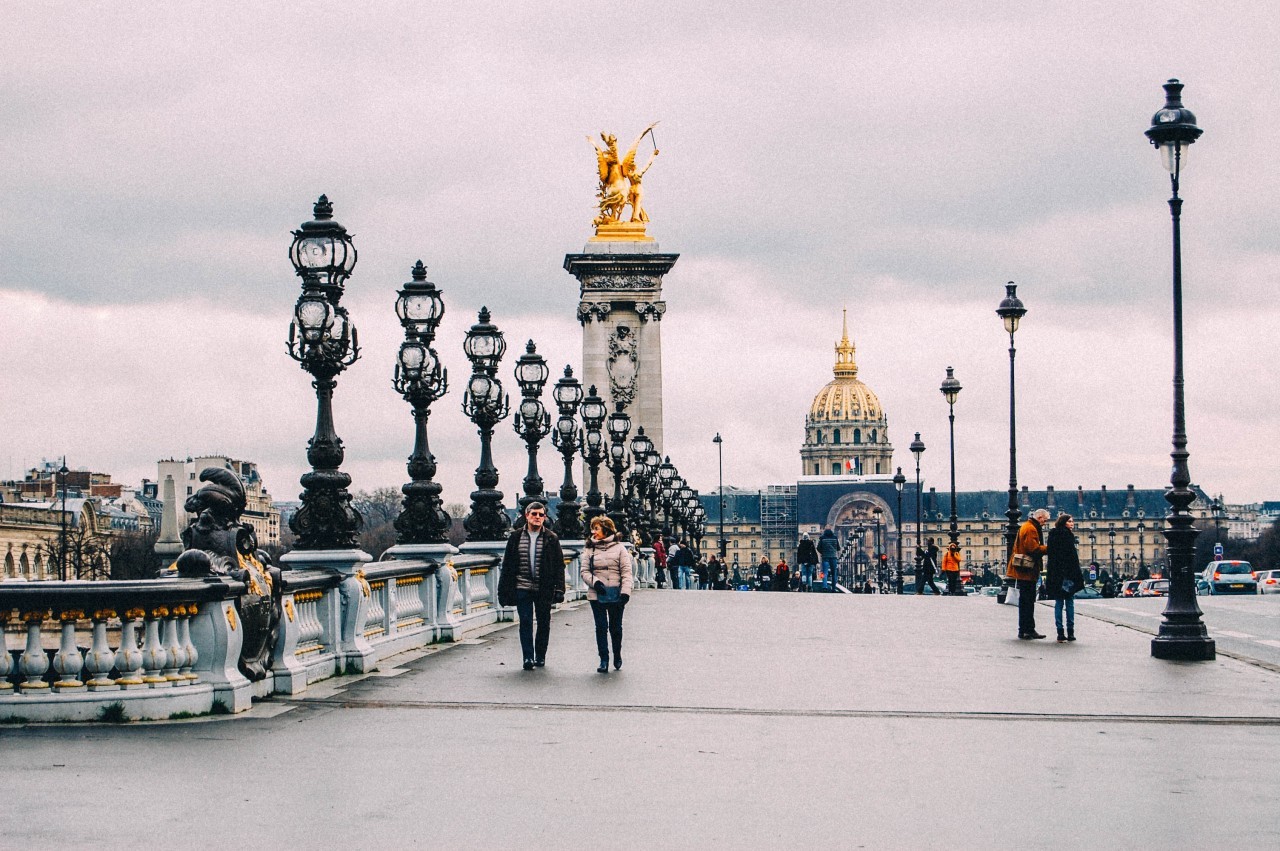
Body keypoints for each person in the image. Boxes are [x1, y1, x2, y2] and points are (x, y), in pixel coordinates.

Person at [497, 502, 566, 670]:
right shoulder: (515, 538)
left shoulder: (551, 538)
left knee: (544, 622)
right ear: (527, 516)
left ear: (545, 517)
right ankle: (528, 657)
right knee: (525, 621)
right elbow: (507, 566)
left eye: (541, 515)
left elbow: (559, 566)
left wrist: (559, 589)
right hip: (523, 586)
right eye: (534, 514)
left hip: (544, 587)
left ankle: (540, 655)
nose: (537, 517)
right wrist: (503, 591)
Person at [581, 515, 633, 673]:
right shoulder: (590, 548)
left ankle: (617, 654)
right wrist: (595, 582)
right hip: (597, 594)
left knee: (615, 628)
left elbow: (626, 572)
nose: (593, 532)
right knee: (601, 627)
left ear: (606, 530)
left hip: (616, 594)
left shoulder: (619, 549)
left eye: (596, 528)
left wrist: (625, 593)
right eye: (593, 528)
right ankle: (604, 659)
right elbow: (584, 571)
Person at [1008, 508, 1050, 639]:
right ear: (1040, 517)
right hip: (1027, 570)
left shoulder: (1026, 526)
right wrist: (1049, 548)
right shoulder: (1031, 529)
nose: (1045, 523)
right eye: (1045, 520)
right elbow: (1033, 549)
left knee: (1025, 601)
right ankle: (1028, 630)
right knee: (1028, 601)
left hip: (1024, 570)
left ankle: (1025, 629)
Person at [1045, 514, 1084, 642]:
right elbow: (1072, 558)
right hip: (1067, 575)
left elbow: (1051, 556)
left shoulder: (1052, 535)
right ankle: (1071, 632)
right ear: (1064, 523)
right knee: (1070, 603)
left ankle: (1060, 633)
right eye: (1070, 521)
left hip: (1056, 575)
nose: (1072, 524)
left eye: (1072, 521)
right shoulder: (1068, 536)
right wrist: (1075, 574)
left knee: (1058, 604)